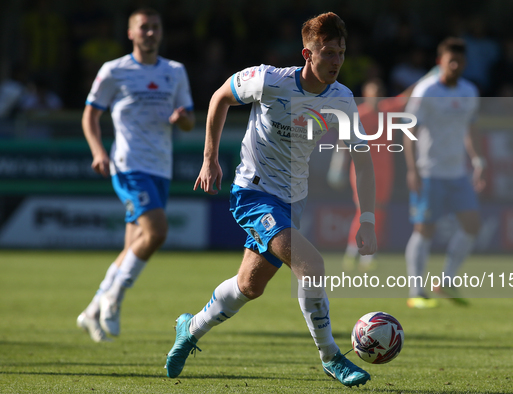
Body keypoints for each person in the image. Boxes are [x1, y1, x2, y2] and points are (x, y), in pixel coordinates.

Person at [165, 12, 377, 388]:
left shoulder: (342, 99)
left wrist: (369, 219)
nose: (337, 61)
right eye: (328, 52)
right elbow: (219, 98)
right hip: (254, 192)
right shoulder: (269, 79)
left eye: (341, 52)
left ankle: (190, 327)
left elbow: (362, 160)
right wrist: (209, 159)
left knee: (249, 286)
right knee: (311, 264)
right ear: (307, 54)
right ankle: (331, 357)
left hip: (294, 200)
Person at [77, 7, 195, 342]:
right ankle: (114, 299)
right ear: (130, 33)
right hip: (128, 164)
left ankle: (92, 309)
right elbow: (90, 116)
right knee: (157, 232)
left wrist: (180, 119)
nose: (150, 33)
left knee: (134, 244)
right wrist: (99, 152)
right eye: (143, 27)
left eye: (155, 27)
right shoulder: (114, 70)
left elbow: (189, 120)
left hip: (161, 167)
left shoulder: (175, 71)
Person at [403, 37, 485, 309]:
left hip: (457, 173)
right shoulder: (425, 91)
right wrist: (412, 170)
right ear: (440, 62)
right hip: (429, 172)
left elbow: (470, 129)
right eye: (451, 61)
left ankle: (446, 281)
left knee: (472, 225)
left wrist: (477, 159)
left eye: (460, 61)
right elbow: (409, 132)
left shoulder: (470, 91)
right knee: (424, 229)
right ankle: (416, 292)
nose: (455, 65)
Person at [327, 78, 401, 271]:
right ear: (366, 95)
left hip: (385, 171)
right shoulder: (358, 114)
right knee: (364, 210)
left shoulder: (388, 110)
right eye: (372, 93)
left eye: (379, 93)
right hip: (362, 170)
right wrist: (337, 166)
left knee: (380, 211)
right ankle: (356, 252)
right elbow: (343, 142)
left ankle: (366, 253)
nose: (376, 97)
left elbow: (407, 97)